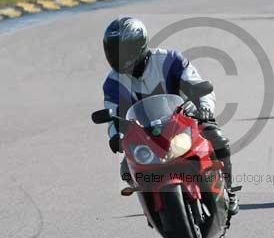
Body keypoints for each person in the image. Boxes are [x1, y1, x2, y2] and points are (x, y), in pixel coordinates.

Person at [101, 17, 238, 215]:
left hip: (186, 122)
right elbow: (112, 113)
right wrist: (116, 135)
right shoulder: (112, 83)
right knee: (126, 168)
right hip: (145, 135)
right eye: (113, 50)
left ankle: (228, 189)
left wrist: (205, 108)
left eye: (122, 49)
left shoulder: (170, 60)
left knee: (218, 140)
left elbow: (199, 85)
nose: (118, 56)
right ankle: (153, 211)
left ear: (138, 46)